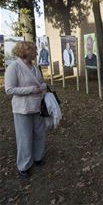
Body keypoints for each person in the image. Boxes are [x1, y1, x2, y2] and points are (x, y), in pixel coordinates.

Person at [4, 41, 48, 178]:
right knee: (24, 137)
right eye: (33, 50)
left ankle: (38, 157)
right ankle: (24, 165)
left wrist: (43, 85)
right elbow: (9, 89)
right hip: (22, 109)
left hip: (37, 106)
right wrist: (31, 90)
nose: (36, 53)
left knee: (39, 133)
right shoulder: (14, 67)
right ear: (25, 52)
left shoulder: (34, 66)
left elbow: (40, 82)